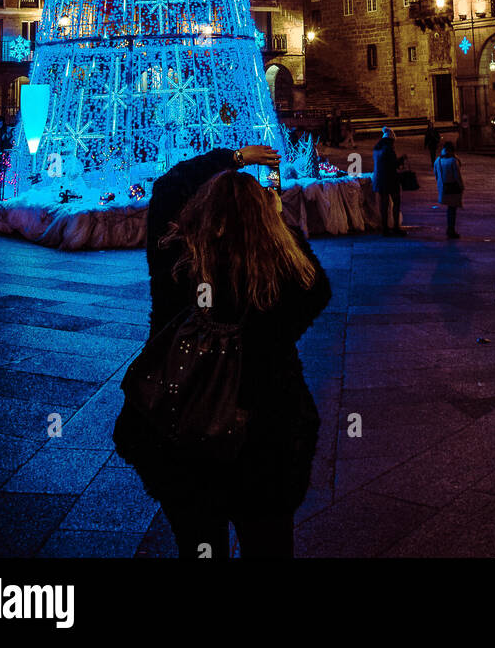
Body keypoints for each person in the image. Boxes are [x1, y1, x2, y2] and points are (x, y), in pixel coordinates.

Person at [113, 142, 331, 559]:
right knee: (268, 547)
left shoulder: (177, 265)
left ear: (201, 213)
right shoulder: (288, 282)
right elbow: (316, 286)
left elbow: (168, 186)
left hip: (184, 441)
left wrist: (234, 159)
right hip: (266, 446)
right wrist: (278, 221)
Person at [372, 126, 404, 236]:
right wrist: (402, 160)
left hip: (379, 180)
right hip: (390, 180)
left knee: (384, 205)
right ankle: (396, 227)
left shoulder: (377, 149)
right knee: (396, 203)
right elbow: (393, 164)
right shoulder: (388, 149)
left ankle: (385, 228)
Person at [434, 141, 464, 239]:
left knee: (450, 209)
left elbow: (436, 174)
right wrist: (461, 187)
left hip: (443, 187)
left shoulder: (438, 160)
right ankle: (451, 229)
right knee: (452, 209)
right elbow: (457, 176)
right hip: (453, 188)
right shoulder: (453, 161)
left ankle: (450, 229)